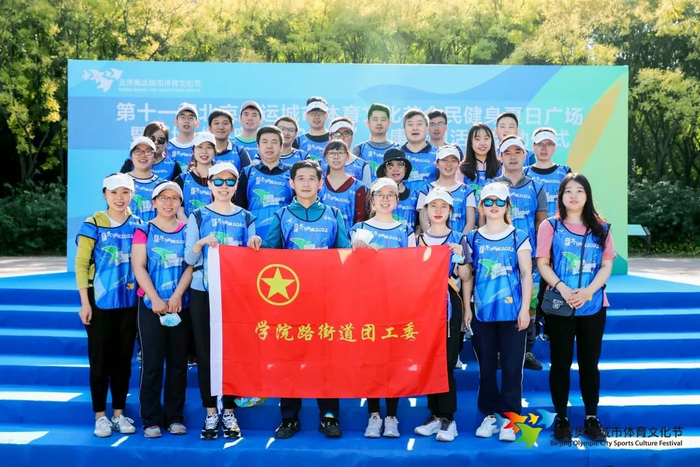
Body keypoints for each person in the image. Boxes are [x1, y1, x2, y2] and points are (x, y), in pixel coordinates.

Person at [248, 160, 350, 439]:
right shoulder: (282, 215)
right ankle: (289, 417)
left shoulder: (333, 214)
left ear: (320, 183)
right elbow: (269, 255)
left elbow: (345, 255)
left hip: (325, 300)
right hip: (290, 302)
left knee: (325, 360)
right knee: (289, 360)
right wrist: (257, 245)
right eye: (300, 178)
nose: (306, 183)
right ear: (291, 183)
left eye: (311, 178)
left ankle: (329, 417)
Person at [536, 173, 615, 443]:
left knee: (590, 364)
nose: (574, 196)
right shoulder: (550, 226)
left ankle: (591, 417)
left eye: (579, 191)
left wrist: (589, 291)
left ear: (587, 195)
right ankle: (562, 417)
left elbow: (606, 265)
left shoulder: (602, 228)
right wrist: (563, 288)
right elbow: (543, 263)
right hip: (560, 305)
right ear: (561, 196)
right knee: (560, 364)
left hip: (593, 306)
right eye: (568, 191)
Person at [185, 162, 256, 440]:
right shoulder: (198, 215)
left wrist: (255, 245)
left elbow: (252, 260)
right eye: (218, 181)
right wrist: (201, 243)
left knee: (233, 353)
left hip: (236, 295)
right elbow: (189, 258)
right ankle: (210, 412)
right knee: (205, 353)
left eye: (229, 181)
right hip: (203, 292)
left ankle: (229, 411)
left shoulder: (246, 217)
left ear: (236, 186)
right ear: (209, 183)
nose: (224, 186)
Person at [75, 173, 143, 438]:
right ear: (105, 194)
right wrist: (85, 303)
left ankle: (118, 414)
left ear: (132, 195)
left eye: (125, 192)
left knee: (123, 360)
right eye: (114, 192)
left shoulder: (138, 224)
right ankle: (100, 416)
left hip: (129, 302)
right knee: (100, 360)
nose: (119, 198)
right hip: (99, 301)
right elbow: (81, 265)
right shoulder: (93, 223)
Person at [464, 182, 532, 442]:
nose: (494, 206)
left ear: (507, 206)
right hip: (483, 314)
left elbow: (526, 274)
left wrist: (525, 310)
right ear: (481, 206)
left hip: (513, 313)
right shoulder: (472, 237)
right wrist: (467, 308)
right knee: (487, 368)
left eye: (499, 201)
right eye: (488, 201)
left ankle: (511, 418)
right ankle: (490, 415)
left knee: (513, 368)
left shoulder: (518, 235)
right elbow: (468, 277)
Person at [349, 177, 415, 439]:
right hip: (367, 305)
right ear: (372, 200)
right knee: (372, 361)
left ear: (397, 201)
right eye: (380, 195)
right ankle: (374, 415)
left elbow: (412, 266)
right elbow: (349, 267)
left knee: (393, 361)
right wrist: (360, 251)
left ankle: (392, 416)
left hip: (396, 305)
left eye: (390, 195)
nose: (385, 199)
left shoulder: (405, 230)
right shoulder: (360, 229)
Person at [131, 181, 193, 438]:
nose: (169, 203)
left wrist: (177, 295)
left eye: (174, 198)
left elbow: (191, 265)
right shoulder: (144, 230)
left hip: (180, 305)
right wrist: (155, 298)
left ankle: (175, 417)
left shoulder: (188, 230)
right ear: (154, 202)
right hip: (151, 306)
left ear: (180, 203)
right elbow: (139, 266)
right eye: (163, 198)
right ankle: (151, 419)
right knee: (152, 363)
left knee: (178, 363)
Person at [413, 188, 470, 442]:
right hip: (424, 305)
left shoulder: (458, 238)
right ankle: (434, 415)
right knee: (429, 362)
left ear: (450, 211)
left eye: (443, 206)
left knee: (445, 362)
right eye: (433, 206)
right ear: (425, 211)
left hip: (449, 304)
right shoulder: (416, 240)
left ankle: (448, 419)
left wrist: (460, 259)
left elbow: (466, 276)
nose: (438, 211)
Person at [492, 135, 547, 371]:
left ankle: (526, 351)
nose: (513, 157)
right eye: (507, 152)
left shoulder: (536, 187)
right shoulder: (493, 186)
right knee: (500, 301)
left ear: (525, 155)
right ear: (500, 157)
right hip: (499, 255)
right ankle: (499, 352)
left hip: (529, 257)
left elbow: (541, 224)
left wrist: (540, 255)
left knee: (529, 304)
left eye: (517, 152)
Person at [235, 126, 294, 239]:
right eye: (265, 142)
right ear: (258, 146)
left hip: (283, 239)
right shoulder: (248, 172)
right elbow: (239, 207)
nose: (269, 146)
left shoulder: (292, 173)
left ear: (281, 146)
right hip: (253, 238)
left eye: (274, 142)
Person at [417, 145, 476, 234]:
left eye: (453, 160)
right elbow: (424, 222)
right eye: (444, 160)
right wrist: (434, 239)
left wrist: (461, 240)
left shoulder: (467, 191)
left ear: (459, 164)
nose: (449, 164)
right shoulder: (426, 190)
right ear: (436, 164)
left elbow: (470, 223)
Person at [318, 141, 369, 232]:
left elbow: (360, 217)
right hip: (322, 235)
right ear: (325, 157)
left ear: (347, 157)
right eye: (331, 153)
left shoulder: (357, 186)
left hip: (347, 238)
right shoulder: (318, 184)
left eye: (340, 153)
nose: (336, 157)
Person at [524, 128, 571, 218]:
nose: (544, 148)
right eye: (540, 144)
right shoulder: (524, 172)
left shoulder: (565, 172)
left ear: (554, 147)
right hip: (533, 226)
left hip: (558, 225)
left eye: (549, 144)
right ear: (533, 147)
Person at [459, 123, 502, 221]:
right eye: (477, 139)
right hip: (468, 221)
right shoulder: (461, 168)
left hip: (494, 221)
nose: (482, 143)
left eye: (486, 138)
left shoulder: (501, 166)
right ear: (470, 142)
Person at [175, 132, 216, 219]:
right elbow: (179, 211)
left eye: (209, 147)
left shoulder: (222, 179)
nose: (204, 151)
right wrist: (191, 226)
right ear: (193, 151)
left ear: (215, 151)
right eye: (200, 147)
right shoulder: (182, 180)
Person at [353, 103, 398, 180]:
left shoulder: (398, 149)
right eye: (375, 119)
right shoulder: (359, 149)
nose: (379, 123)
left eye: (383, 119)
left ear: (389, 123)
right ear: (368, 123)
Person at [376, 148, 419, 229]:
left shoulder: (415, 196)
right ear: (385, 170)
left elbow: (419, 226)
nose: (395, 169)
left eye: (400, 165)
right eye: (390, 165)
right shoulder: (376, 194)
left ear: (405, 169)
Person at [126, 136, 164, 223]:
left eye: (148, 151)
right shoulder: (122, 181)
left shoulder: (162, 185)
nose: (142, 155)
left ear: (154, 157)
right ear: (131, 156)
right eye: (137, 151)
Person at [401, 109, 438, 191]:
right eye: (410, 124)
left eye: (419, 124)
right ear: (404, 129)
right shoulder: (397, 155)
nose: (415, 128)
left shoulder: (438, 154)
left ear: (427, 128)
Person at [329, 117, 371, 186]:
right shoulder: (321, 164)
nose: (342, 137)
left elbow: (366, 191)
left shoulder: (362, 166)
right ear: (330, 138)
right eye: (337, 134)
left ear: (352, 137)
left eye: (346, 133)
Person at [208, 108, 253, 172]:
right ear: (210, 128)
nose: (221, 127)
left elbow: (248, 175)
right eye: (216, 123)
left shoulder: (240, 152)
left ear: (232, 128)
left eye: (225, 123)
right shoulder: (204, 152)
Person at [168, 102, 199, 172]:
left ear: (197, 123)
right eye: (183, 117)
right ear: (176, 122)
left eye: (190, 118)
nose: (186, 121)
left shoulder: (201, 146)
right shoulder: (167, 146)